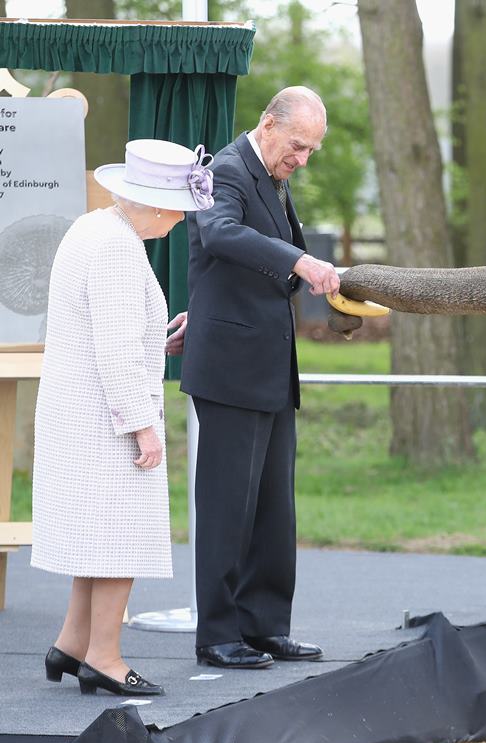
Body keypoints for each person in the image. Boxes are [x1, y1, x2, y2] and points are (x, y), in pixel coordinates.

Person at [32, 138, 213, 696]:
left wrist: (156, 341)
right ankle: (105, 658)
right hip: (104, 414)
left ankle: (72, 642)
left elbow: (105, 333)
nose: (183, 220)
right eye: (181, 208)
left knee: (97, 533)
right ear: (157, 204)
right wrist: (143, 424)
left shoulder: (93, 228)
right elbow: (112, 350)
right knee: (121, 536)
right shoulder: (116, 247)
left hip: (80, 406)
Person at [182, 86, 339, 670]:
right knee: (227, 507)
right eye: (297, 146)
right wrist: (299, 262)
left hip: (270, 366)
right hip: (228, 368)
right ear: (269, 125)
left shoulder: (273, 175)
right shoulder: (221, 170)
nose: (302, 159)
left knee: (275, 507)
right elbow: (219, 234)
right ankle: (218, 634)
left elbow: (276, 256)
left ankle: (266, 625)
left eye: (311, 151)